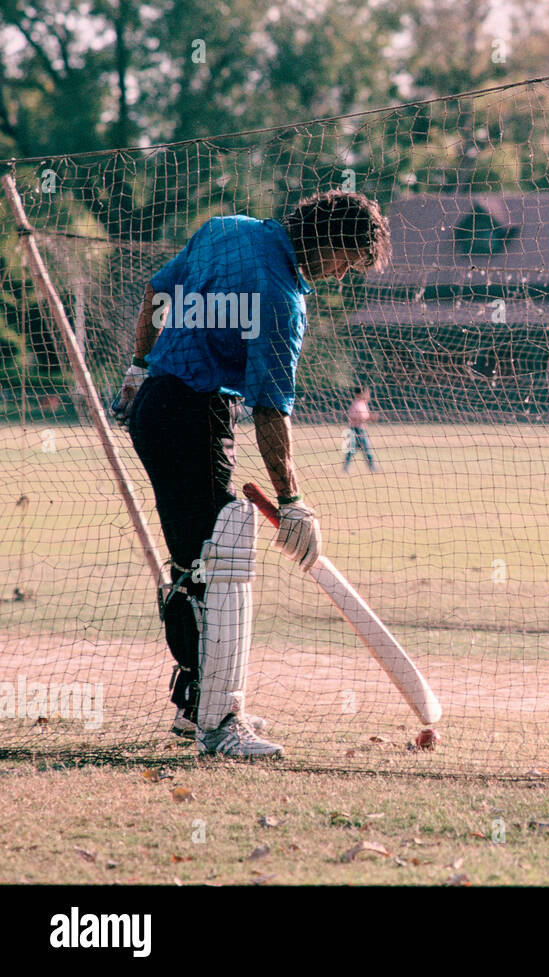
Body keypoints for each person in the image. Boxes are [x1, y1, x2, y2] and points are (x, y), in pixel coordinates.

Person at [112, 190, 391, 757]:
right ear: (331, 242)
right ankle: (220, 724)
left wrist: (138, 368)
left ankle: (199, 706)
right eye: (348, 261)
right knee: (223, 556)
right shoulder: (282, 297)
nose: (342, 275)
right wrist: (293, 501)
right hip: (196, 414)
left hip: (158, 407)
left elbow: (156, 293)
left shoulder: (224, 229)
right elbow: (269, 408)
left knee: (197, 565)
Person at [343, 385, 378, 472]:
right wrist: (369, 418)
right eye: (367, 393)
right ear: (360, 394)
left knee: (365, 449)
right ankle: (346, 467)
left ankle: (371, 467)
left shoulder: (363, 403)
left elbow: (364, 416)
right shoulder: (356, 404)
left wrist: (370, 418)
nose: (368, 395)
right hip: (355, 430)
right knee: (354, 449)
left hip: (361, 429)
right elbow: (352, 417)